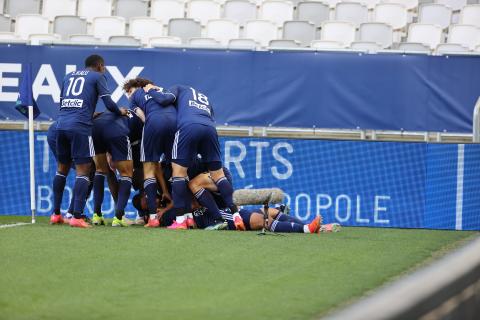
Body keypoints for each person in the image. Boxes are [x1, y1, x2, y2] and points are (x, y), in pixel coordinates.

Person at [51, 54, 127, 228]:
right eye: (104, 66)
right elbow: (108, 103)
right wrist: (119, 112)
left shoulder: (68, 76)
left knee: (61, 170)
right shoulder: (98, 76)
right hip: (80, 127)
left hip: (60, 124)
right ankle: (77, 216)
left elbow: (63, 103)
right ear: (99, 65)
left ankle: (55, 214)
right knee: (84, 170)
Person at [162, 85, 245, 230]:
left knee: (178, 175)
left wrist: (150, 91)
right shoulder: (204, 99)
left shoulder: (178, 88)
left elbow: (165, 100)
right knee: (219, 176)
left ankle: (181, 221)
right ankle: (236, 215)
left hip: (188, 126)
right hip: (210, 128)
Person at [123, 78, 176, 228]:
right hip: (174, 122)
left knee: (148, 169)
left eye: (130, 91)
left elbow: (143, 117)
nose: (129, 95)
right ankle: (183, 217)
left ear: (138, 87)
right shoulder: (163, 90)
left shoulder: (135, 97)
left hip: (154, 122)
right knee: (178, 168)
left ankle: (152, 218)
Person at [90, 107, 144, 227]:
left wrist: (110, 152)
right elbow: (142, 163)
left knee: (100, 170)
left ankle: (97, 216)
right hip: (117, 131)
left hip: (95, 128)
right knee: (126, 174)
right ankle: (119, 217)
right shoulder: (140, 124)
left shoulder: (110, 112)